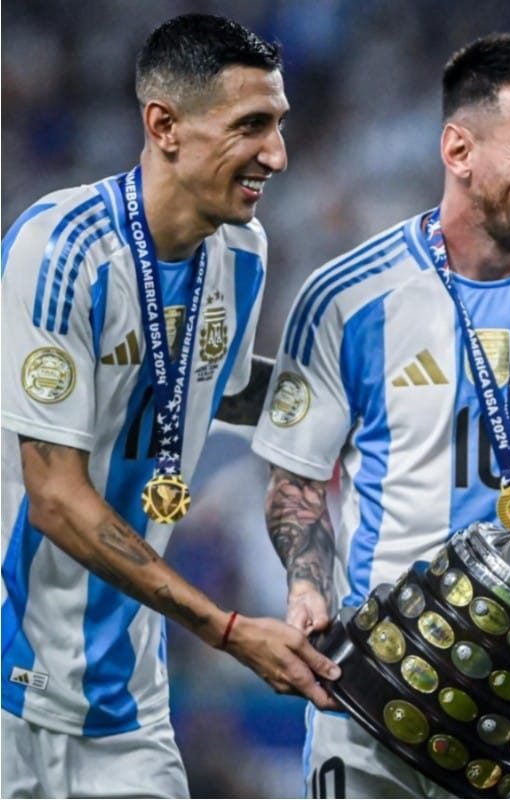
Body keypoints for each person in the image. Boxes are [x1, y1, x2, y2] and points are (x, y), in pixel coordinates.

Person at [252, 32, 510, 799]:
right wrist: (307, 588)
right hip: (370, 699)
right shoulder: (348, 299)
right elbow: (296, 485)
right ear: (458, 150)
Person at [1, 14, 340, 799]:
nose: (277, 156)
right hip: (11, 689)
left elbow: (215, 386)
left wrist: (355, 390)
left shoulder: (243, 254)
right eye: (251, 127)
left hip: (127, 702)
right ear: (165, 126)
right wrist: (226, 629)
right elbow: (53, 497)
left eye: (280, 125)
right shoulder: (63, 251)